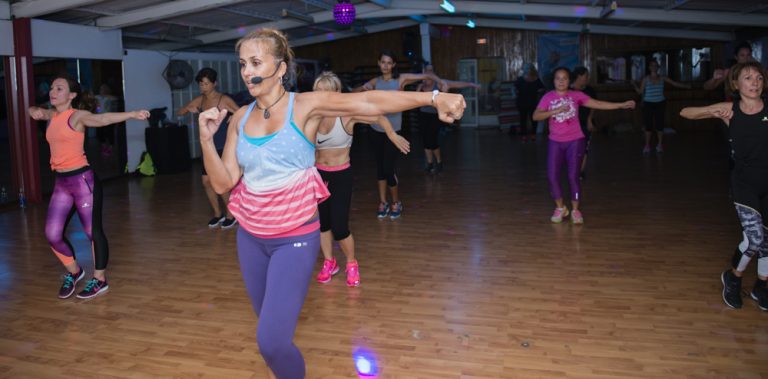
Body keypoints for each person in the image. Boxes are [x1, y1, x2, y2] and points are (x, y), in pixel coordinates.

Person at [198, 28, 464, 379]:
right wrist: (205, 139)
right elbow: (222, 182)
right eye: (244, 63)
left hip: (293, 238)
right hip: (250, 238)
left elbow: (367, 102)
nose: (248, 71)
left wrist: (432, 98)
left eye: (257, 62)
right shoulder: (239, 118)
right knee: (269, 331)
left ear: (280, 68)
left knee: (271, 342)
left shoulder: (305, 105)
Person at [28, 74, 149, 299]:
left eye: (59, 88)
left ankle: (100, 279)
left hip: (83, 182)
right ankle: (74, 272)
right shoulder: (52, 115)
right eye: (52, 88)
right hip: (62, 184)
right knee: (52, 233)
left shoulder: (77, 117)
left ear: (72, 95)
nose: (53, 92)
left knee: (93, 232)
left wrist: (132, 114)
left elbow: (103, 120)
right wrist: (32, 109)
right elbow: (36, 111)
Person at [680, 61, 768, 311]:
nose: (755, 83)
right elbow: (685, 112)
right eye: (748, 78)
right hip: (744, 184)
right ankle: (733, 277)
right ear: (736, 83)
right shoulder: (731, 109)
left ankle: (762, 286)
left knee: (767, 241)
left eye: (759, 78)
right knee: (754, 238)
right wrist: (716, 112)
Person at [312, 72, 410, 286]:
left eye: (325, 92)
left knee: (340, 227)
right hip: (318, 176)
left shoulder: (347, 114)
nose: (321, 97)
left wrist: (392, 135)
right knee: (323, 225)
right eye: (317, 92)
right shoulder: (312, 116)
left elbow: (378, 116)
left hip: (341, 176)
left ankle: (351, 263)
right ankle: (330, 262)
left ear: (336, 93)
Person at [533, 67, 635, 224]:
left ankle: (575, 210)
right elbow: (536, 116)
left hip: (575, 141)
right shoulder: (548, 97)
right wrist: (556, 110)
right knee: (552, 176)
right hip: (555, 142)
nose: (561, 81)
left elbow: (598, 103)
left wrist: (620, 105)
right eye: (558, 78)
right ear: (553, 81)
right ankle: (560, 208)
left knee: (573, 176)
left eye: (564, 78)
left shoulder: (576, 95)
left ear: (569, 81)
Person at [352, 50, 444, 219]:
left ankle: (396, 201)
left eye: (389, 62)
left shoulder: (400, 79)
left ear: (393, 65)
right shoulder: (375, 81)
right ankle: (382, 201)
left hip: (394, 132)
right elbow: (356, 92)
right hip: (376, 130)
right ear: (378, 63)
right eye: (383, 62)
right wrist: (360, 89)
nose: (385, 65)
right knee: (380, 168)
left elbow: (423, 76)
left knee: (388, 168)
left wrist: (440, 82)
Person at [178, 68, 240, 229]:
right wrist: (187, 109)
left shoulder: (223, 99)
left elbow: (242, 114)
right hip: (207, 147)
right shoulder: (200, 100)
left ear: (214, 83)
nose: (203, 87)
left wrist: (234, 116)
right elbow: (179, 112)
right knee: (206, 182)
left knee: (221, 182)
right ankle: (217, 214)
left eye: (206, 84)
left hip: (222, 147)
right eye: (201, 84)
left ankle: (230, 214)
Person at [416, 62, 479, 174]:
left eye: (432, 70)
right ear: (424, 72)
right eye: (428, 70)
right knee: (426, 141)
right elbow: (414, 101)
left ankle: (439, 163)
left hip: (434, 116)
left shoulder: (439, 84)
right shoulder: (420, 86)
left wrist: (471, 84)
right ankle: (430, 164)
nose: (430, 72)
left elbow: (456, 84)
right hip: (423, 115)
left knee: (432, 140)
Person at [632, 59, 691, 154]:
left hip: (660, 103)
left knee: (660, 125)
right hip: (648, 104)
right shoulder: (646, 78)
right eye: (652, 65)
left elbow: (674, 83)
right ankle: (647, 145)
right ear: (649, 67)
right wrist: (634, 84)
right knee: (648, 125)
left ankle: (659, 145)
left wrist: (686, 86)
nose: (654, 67)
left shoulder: (663, 78)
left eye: (655, 65)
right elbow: (640, 92)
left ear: (658, 67)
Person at [570, 67, 596, 179]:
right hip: (571, 124)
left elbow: (594, 106)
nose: (587, 78)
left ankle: (580, 172)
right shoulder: (569, 90)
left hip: (585, 122)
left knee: (584, 147)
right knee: (572, 148)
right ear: (579, 77)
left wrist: (590, 119)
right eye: (586, 75)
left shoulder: (590, 90)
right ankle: (574, 170)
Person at [513, 64, 545, 142]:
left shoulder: (536, 80)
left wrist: (539, 91)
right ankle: (524, 135)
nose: (528, 72)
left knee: (534, 119)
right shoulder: (520, 80)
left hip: (533, 103)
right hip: (522, 102)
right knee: (523, 119)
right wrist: (514, 94)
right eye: (527, 70)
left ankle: (533, 134)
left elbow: (543, 88)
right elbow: (513, 88)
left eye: (530, 70)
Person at [95, 83, 119, 156]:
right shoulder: (97, 97)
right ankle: (104, 146)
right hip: (99, 117)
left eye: (103, 89)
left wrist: (106, 96)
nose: (101, 90)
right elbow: (90, 98)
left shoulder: (109, 97)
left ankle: (111, 147)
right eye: (101, 89)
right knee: (100, 132)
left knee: (109, 132)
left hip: (108, 117)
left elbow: (116, 98)